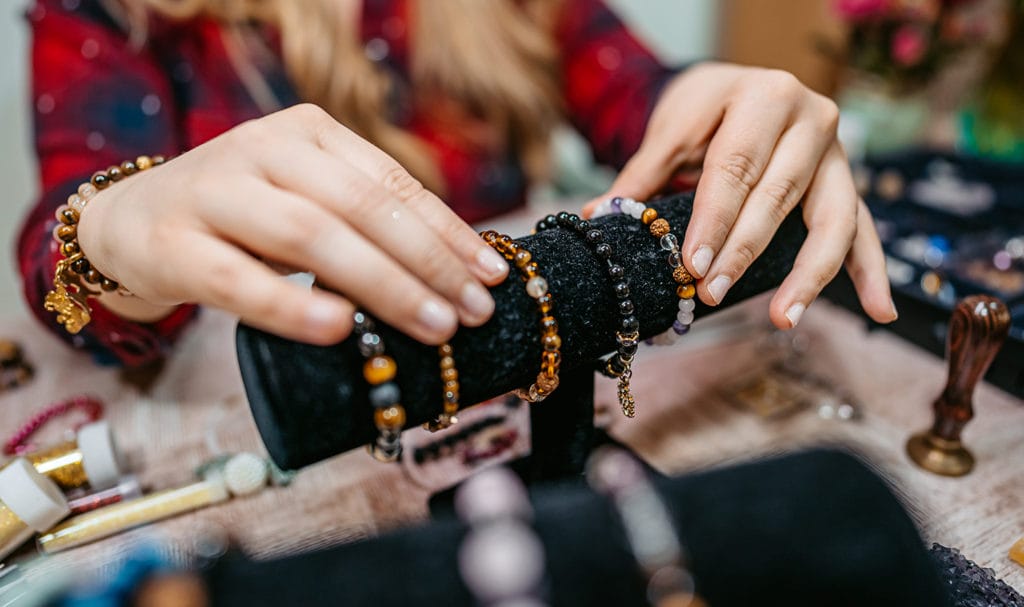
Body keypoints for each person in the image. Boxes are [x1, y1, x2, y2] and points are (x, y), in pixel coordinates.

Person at [19, 0, 897, 368]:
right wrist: (106, 228)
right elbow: (62, 249)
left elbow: (634, 91)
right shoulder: (115, 15)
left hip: (513, 375)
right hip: (280, 406)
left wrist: (711, 105)